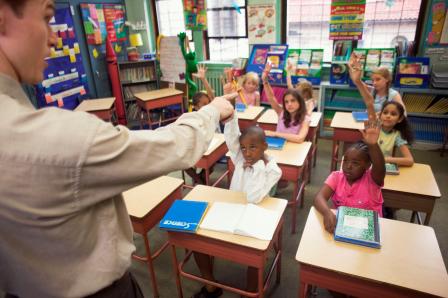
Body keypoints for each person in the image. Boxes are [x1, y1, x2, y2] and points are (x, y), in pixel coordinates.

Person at [0, 1, 234, 297]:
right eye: (46, 17)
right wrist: (211, 111)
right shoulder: (57, 138)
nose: (54, 37)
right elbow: (176, 146)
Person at [192, 115, 282, 298]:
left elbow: (254, 197)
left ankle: (249, 292)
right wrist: (231, 116)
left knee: (253, 254)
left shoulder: (273, 170)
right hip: (230, 211)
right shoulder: (240, 158)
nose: (247, 153)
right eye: (244, 148)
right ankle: (210, 285)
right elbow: (232, 139)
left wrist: (256, 168)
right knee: (196, 235)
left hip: (253, 215)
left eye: (253, 147)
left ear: (264, 147)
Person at [314, 119, 386, 233]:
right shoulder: (336, 177)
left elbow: (380, 168)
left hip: (368, 231)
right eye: (345, 160)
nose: (348, 166)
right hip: (344, 228)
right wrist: (327, 212)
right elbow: (319, 198)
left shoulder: (372, 180)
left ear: (368, 165)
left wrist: (373, 145)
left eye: (355, 163)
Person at [262, 62, 310, 143]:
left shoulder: (305, 119)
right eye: (286, 102)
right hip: (278, 147)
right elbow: (271, 97)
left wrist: (276, 134)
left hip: (293, 151)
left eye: (293, 101)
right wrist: (265, 80)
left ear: (300, 102)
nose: (289, 104)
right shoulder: (281, 112)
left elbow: (300, 138)